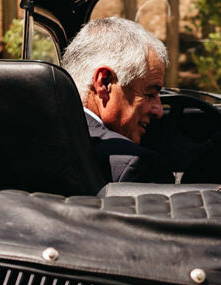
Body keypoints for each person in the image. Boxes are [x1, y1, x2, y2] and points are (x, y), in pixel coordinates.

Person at [61, 16, 171, 182]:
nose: (159, 110)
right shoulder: (135, 164)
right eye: (149, 94)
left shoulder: (23, 141)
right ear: (105, 83)